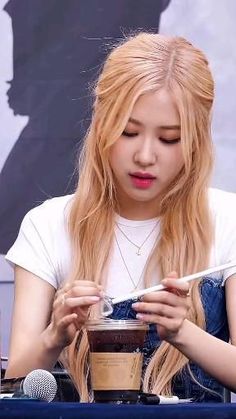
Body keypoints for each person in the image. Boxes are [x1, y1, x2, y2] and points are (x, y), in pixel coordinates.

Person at [5, 32, 236, 403]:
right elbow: (15, 386)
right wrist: (54, 336)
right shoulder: (47, 225)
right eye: (128, 132)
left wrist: (183, 332)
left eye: (169, 139)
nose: (145, 156)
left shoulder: (227, 220)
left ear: (196, 141)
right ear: (101, 125)